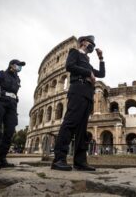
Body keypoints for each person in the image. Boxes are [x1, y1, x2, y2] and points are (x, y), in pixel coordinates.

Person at [51, 35, 105, 171]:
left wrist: (101, 58)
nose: (92, 45)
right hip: (77, 90)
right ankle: (59, 159)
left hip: (87, 94)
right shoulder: (74, 53)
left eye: (94, 43)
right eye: (90, 42)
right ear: (83, 42)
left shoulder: (88, 61)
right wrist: (88, 72)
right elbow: (69, 66)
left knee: (82, 129)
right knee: (70, 123)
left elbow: (102, 74)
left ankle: (80, 161)